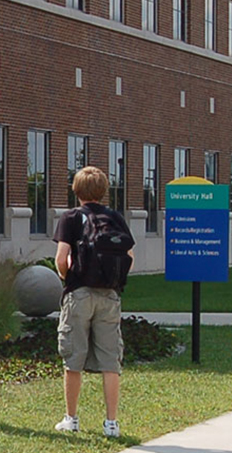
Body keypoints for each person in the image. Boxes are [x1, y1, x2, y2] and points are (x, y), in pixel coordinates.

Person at [50, 166, 134, 439]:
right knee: (111, 361)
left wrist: (68, 278)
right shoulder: (115, 218)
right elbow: (130, 255)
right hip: (109, 295)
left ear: (76, 191)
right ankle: (111, 424)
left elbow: (61, 258)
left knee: (73, 357)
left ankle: (71, 419)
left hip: (79, 294)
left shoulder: (71, 218)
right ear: (103, 191)